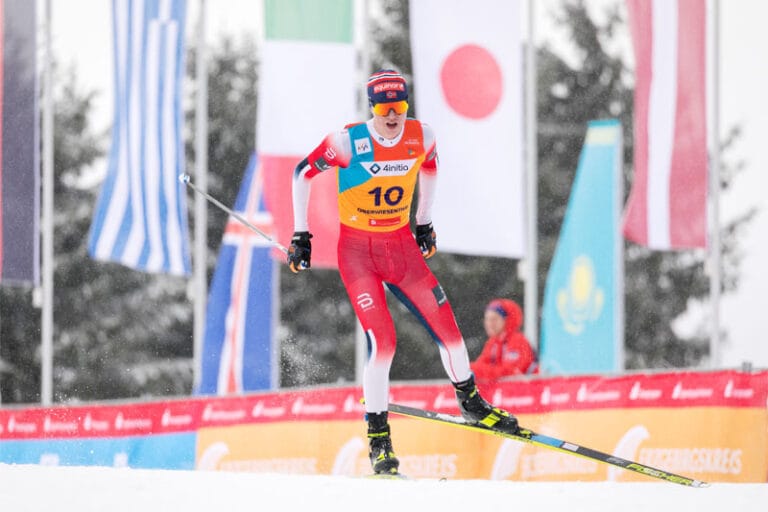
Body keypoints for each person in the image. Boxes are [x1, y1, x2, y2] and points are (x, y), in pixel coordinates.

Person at [287, 69, 518, 475]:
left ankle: (472, 404)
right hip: (358, 254)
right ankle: (379, 441)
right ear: (372, 107)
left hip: (400, 247)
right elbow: (301, 173)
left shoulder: (421, 136)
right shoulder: (348, 142)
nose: (392, 115)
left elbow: (430, 169)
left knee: (450, 331)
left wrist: (424, 222)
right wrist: (301, 235)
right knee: (385, 344)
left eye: (399, 106)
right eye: (384, 107)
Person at [471, 299, 537, 381]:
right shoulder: (492, 343)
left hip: (529, 391)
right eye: (487, 319)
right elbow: (480, 365)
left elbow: (511, 373)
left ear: (507, 320)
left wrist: (476, 371)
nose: (489, 324)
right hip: (507, 391)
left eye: (494, 319)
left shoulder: (517, 340)